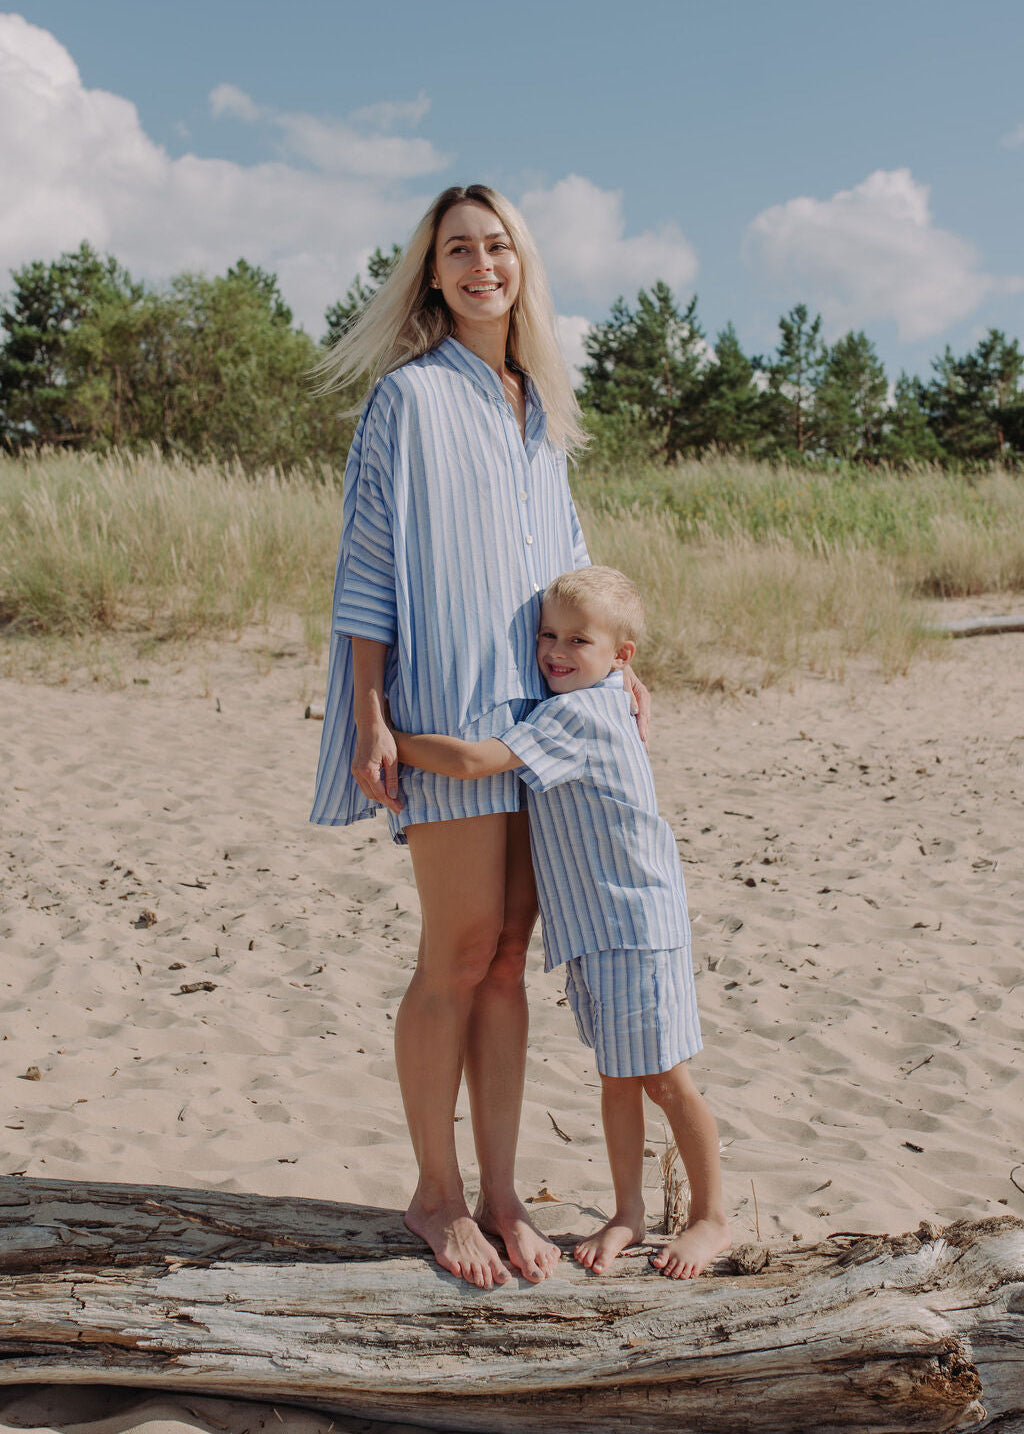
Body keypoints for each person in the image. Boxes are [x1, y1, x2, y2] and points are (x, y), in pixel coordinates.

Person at [310, 185, 650, 1289]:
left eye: (495, 245)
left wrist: (618, 671)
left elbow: (576, 553)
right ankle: (435, 1194)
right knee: (456, 952)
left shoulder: (541, 405)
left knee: (510, 958)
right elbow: (366, 570)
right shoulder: (406, 401)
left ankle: (504, 1194)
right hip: (447, 706)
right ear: (432, 274)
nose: (479, 264)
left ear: (520, 263)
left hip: (546, 713)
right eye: (457, 249)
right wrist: (369, 714)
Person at [391, 567, 731, 1278]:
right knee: (618, 1075)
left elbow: (476, 760)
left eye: (579, 640)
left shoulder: (577, 714)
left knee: (667, 1079)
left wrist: (393, 737)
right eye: (547, 635)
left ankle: (711, 1218)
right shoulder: (593, 697)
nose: (556, 651)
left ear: (623, 656)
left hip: (632, 924)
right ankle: (629, 1213)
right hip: (604, 929)